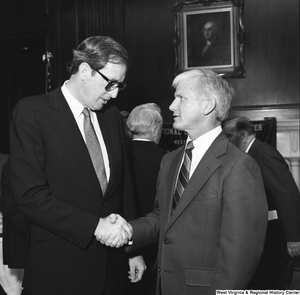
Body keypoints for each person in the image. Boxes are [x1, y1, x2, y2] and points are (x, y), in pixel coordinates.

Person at [8, 36, 145, 295]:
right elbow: (29, 196)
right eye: (111, 83)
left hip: (113, 269)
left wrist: (132, 248)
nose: (115, 93)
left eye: (120, 85)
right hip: (60, 270)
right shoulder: (32, 112)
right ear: (84, 71)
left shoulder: (112, 116)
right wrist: (95, 225)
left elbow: (123, 189)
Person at [122, 69, 268, 294]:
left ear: (207, 105)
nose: (171, 106)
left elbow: (241, 256)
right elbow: (163, 217)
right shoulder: (170, 160)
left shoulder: (239, 166)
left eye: (181, 98)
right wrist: (127, 230)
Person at [223, 117, 300, 289]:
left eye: (228, 135)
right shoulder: (247, 155)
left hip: (278, 236)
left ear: (243, 136)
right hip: (263, 234)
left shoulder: (264, 153)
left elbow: (287, 193)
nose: (225, 141)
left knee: (275, 285)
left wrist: (294, 238)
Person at [126, 103, 167, 295]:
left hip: (122, 238)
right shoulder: (168, 160)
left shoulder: (117, 158)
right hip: (157, 242)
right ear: (156, 129)